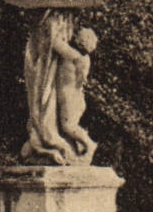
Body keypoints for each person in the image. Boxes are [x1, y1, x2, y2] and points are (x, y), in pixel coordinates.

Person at [22, 9, 85, 165]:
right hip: (43, 77)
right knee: (45, 113)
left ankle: (56, 146)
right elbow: (55, 43)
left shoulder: (45, 24)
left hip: (47, 76)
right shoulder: (48, 23)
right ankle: (53, 145)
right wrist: (77, 57)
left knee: (48, 113)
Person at [56, 26, 98, 164]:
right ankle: (72, 152)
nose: (74, 37)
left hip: (71, 98)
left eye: (78, 36)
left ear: (81, 42)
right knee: (65, 128)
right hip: (72, 97)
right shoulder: (84, 58)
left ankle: (89, 144)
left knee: (68, 127)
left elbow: (55, 43)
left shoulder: (73, 55)